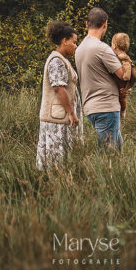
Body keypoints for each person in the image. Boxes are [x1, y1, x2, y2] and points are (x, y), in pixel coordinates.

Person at [74, 7, 126, 151]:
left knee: (118, 147)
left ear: (86, 24)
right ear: (105, 24)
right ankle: (96, 174)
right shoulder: (101, 48)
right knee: (107, 153)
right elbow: (123, 75)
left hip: (90, 107)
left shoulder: (79, 49)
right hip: (106, 106)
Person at [35, 20, 81, 171]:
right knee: (55, 159)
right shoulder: (56, 61)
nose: (75, 46)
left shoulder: (63, 60)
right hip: (56, 118)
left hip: (60, 117)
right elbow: (59, 89)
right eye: (73, 42)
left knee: (61, 157)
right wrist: (71, 113)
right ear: (64, 41)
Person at [110, 32, 136, 121]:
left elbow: (126, 74)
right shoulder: (124, 57)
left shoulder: (121, 58)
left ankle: (122, 112)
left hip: (120, 83)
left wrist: (125, 77)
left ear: (115, 45)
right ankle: (122, 112)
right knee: (122, 97)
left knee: (122, 97)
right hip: (121, 84)